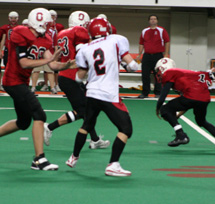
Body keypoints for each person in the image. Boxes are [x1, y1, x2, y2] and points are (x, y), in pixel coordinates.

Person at [0, 8, 75, 170]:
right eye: (47, 23)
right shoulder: (20, 33)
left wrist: (66, 65)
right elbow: (24, 63)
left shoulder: (46, 38)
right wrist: (49, 61)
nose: (49, 27)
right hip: (12, 81)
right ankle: (39, 159)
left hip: (21, 82)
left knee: (23, 122)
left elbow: (52, 63)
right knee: (39, 114)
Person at [65, 17, 139, 176]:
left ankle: (73, 157)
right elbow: (133, 66)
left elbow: (79, 77)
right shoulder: (115, 40)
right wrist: (127, 64)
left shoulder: (85, 48)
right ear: (107, 29)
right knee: (126, 129)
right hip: (108, 94)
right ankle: (113, 164)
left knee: (87, 125)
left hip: (91, 93)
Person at [43, 11, 110, 149]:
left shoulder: (62, 33)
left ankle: (95, 139)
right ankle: (49, 127)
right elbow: (82, 51)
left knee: (88, 109)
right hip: (72, 77)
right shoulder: (79, 31)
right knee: (82, 111)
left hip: (65, 75)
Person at [155, 58, 215, 150]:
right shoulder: (185, 74)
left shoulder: (169, 73)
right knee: (201, 121)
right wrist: (179, 114)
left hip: (192, 97)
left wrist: (158, 109)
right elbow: (191, 100)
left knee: (165, 108)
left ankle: (181, 135)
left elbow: (163, 97)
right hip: (204, 98)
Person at [135, 15, 170, 98]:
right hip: (147, 56)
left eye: (154, 19)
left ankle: (158, 93)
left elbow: (167, 42)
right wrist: (139, 54)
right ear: (149, 21)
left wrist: (166, 54)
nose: (153, 20)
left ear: (157, 21)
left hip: (158, 56)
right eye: (151, 19)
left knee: (158, 75)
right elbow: (141, 43)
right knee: (145, 75)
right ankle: (145, 93)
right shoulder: (144, 31)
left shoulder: (162, 30)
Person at [0, 11, 19, 91]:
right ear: (9, 18)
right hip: (8, 50)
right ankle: (4, 84)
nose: (13, 20)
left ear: (17, 19)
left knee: (16, 68)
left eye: (15, 18)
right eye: (12, 18)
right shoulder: (5, 28)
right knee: (7, 68)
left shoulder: (20, 28)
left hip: (16, 51)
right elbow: (3, 40)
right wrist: (1, 51)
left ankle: (14, 84)